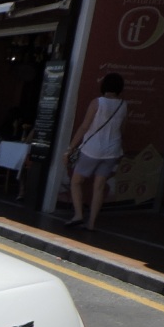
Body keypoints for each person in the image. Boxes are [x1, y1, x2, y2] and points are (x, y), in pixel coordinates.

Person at [66, 72, 127, 230]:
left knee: (76, 181)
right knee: (99, 186)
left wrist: (70, 147)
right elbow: (122, 129)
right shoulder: (123, 105)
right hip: (112, 150)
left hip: (92, 149)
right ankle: (91, 223)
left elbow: (85, 126)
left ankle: (78, 215)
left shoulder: (97, 103)